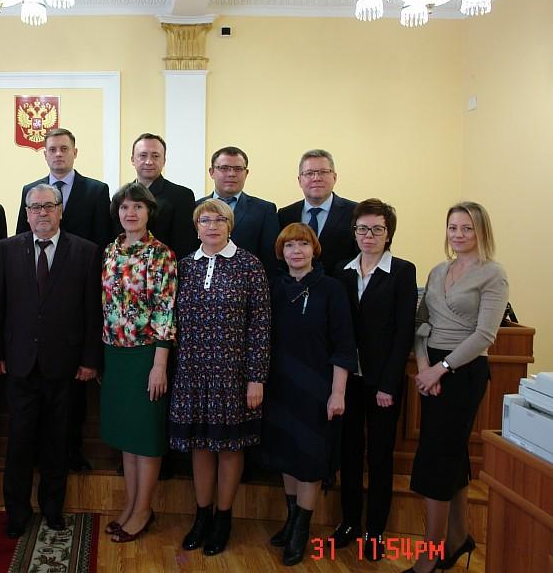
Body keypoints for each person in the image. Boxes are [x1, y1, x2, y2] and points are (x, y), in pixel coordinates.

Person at [0, 184, 102, 539]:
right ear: (26, 212)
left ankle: (53, 509)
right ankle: (17, 512)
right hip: (20, 363)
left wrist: (89, 358)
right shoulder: (7, 249)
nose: (41, 212)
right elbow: (1, 306)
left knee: (58, 442)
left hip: (65, 364)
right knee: (20, 442)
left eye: (48, 206)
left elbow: (91, 311)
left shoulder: (85, 251)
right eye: (34, 207)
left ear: (60, 210)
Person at [406, 202, 508, 573]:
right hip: (430, 368)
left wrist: (442, 369)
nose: (459, 235)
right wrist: (424, 367)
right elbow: (420, 323)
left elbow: (485, 335)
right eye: (453, 228)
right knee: (452, 456)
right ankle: (458, 538)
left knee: (437, 460)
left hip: (463, 373)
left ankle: (429, 556)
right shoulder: (437, 271)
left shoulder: (493, 274)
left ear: (482, 232)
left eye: (467, 228)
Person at [169, 198, 271, 556]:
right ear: (196, 226)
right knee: (199, 445)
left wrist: (256, 378)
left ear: (230, 225)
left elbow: (260, 326)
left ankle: (224, 518)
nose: (211, 226)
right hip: (192, 372)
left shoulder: (249, 265)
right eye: (204, 220)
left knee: (228, 448)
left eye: (219, 220)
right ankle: (202, 516)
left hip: (233, 373)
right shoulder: (185, 266)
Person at [15, 128, 113, 472]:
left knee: (72, 399)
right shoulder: (31, 192)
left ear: (75, 152)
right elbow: (21, 241)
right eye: (52, 149)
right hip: (40, 296)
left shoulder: (97, 191)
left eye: (64, 149)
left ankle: (72, 451)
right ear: (44, 154)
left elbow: (102, 242)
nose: (58, 154)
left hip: (77, 295)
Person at [261, 222, 357, 566]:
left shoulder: (331, 289)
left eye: (303, 244)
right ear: (281, 252)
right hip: (279, 385)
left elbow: (345, 346)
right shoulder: (274, 287)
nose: (296, 251)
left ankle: (302, 529)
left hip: (318, 388)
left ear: (314, 249)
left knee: (311, 460)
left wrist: (338, 393)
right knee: (286, 454)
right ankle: (290, 521)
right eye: (289, 246)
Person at [332, 199, 417, 561]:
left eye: (377, 229)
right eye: (362, 229)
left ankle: (375, 531)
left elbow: (403, 333)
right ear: (354, 232)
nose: (369, 236)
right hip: (349, 379)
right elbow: (338, 328)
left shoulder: (402, 271)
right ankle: (349, 522)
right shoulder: (342, 270)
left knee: (380, 457)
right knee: (348, 454)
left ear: (389, 233)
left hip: (382, 383)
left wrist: (388, 383)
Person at [100, 182, 177, 543]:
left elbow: (165, 310)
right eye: (125, 207)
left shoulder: (162, 254)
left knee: (145, 436)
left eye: (138, 208)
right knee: (127, 437)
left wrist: (159, 364)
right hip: (115, 353)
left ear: (149, 213)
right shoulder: (110, 251)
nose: (131, 213)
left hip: (148, 354)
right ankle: (131, 505)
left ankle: (144, 510)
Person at [198, 146, 280, 277]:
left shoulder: (264, 210)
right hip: (201, 284)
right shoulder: (195, 208)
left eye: (238, 169)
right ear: (211, 172)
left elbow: (270, 259)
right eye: (224, 168)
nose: (231, 174)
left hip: (248, 286)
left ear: (246, 173)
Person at [277, 149, 357, 276]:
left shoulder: (355, 212)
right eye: (309, 173)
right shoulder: (285, 215)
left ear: (334, 177)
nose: (316, 178)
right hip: (294, 290)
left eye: (323, 172)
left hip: (341, 289)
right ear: (299, 180)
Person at [121, 133, 197, 260]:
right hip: (125, 269)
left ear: (164, 161)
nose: (149, 161)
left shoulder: (182, 196)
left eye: (155, 156)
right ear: (132, 160)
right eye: (142, 155)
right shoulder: (122, 196)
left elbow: (185, 245)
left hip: (165, 270)